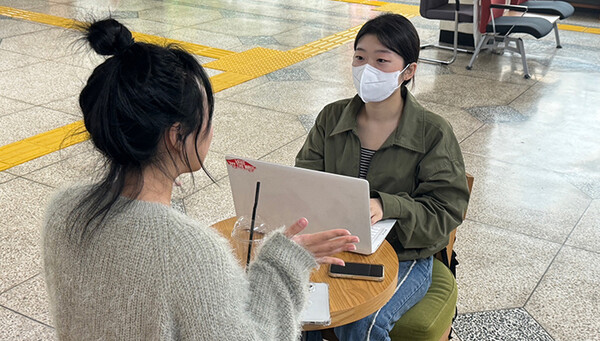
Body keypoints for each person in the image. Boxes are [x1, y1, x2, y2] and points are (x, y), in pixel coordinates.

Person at [41, 19, 359, 341]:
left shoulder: (62, 211)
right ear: (176, 135)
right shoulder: (189, 251)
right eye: (207, 116)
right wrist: (281, 264)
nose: (210, 129)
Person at [296, 13, 470, 341]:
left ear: (409, 71)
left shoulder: (432, 133)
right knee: (297, 307)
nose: (367, 69)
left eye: (381, 60)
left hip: (406, 253)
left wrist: (386, 206)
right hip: (337, 245)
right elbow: (306, 180)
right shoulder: (331, 117)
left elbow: (445, 210)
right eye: (360, 58)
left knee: (363, 323)